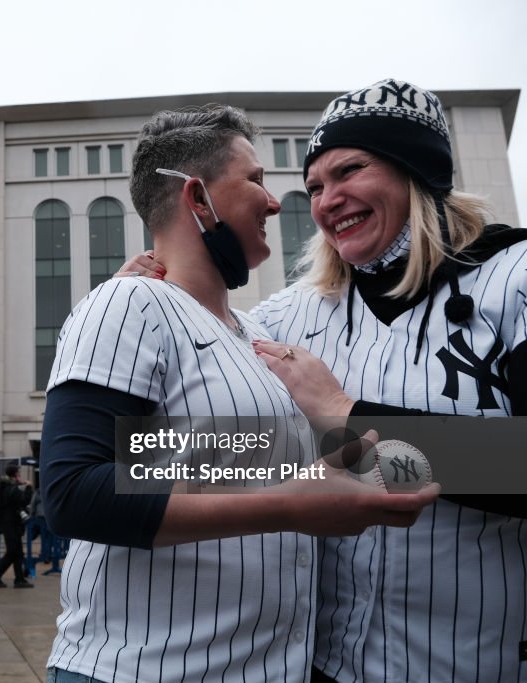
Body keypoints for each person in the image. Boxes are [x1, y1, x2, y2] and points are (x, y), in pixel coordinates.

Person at [121, 80, 527, 683]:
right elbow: (210, 435)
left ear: (416, 172)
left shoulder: (513, 278)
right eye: (314, 187)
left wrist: (348, 416)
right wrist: (158, 291)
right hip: (320, 667)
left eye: (350, 171)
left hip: (474, 665)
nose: (327, 200)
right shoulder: (291, 316)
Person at [42, 105, 440, 683]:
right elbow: (73, 490)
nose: (276, 202)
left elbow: (189, 458)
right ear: (198, 199)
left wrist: (331, 455)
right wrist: (291, 503)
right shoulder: (126, 302)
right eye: (255, 180)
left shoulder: (257, 335)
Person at [0, 463, 33, 589]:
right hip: (11, 524)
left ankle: (19, 579)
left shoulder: (4, 486)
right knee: (13, 552)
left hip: (8, 524)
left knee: (18, 552)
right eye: (18, 473)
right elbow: (24, 501)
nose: (20, 475)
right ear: (15, 474)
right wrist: (29, 488)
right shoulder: (11, 488)